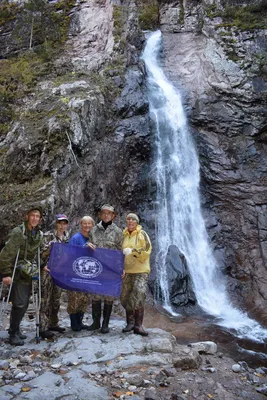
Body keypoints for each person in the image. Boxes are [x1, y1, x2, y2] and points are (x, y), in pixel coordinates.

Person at [0, 206, 43, 345]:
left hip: (28, 272)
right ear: (27, 216)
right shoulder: (19, 232)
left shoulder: (37, 234)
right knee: (19, 303)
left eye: (37, 216)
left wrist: (42, 265)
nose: (35, 218)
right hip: (16, 272)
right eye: (32, 215)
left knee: (23, 304)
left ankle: (16, 329)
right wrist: (5, 274)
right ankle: (13, 333)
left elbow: (36, 254)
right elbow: (6, 254)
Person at [87, 204, 123, 334]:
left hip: (110, 269)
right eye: (104, 213)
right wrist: (87, 245)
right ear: (100, 215)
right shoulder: (93, 230)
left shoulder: (118, 232)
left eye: (109, 213)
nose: (106, 215)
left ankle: (105, 324)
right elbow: (88, 246)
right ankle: (95, 322)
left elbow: (120, 252)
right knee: (95, 296)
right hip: (96, 268)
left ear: (113, 216)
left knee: (109, 297)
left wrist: (120, 269)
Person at [120, 213, 152, 336]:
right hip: (126, 271)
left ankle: (138, 325)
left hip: (140, 270)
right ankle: (130, 322)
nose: (130, 221)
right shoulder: (123, 235)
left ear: (137, 222)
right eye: (128, 219)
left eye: (133, 219)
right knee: (125, 297)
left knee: (139, 293)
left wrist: (133, 251)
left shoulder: (142, 234)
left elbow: (147, 250)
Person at [40, 214, 70, 339]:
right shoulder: (47, 235)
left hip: (60, 271)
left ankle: (53, 323)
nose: (62, 225)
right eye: (60, 223)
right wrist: (42, 265)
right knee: (45, 298)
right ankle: (43, 327)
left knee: (56, 298)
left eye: (64, 223)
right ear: (56, 223)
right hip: (47, 270)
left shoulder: (67, 236)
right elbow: (40, 252)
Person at [67, 215, 95, 331]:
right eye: (85, 223)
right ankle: (74, 323)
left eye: (89, 223)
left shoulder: (93, 238)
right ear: (81, 225)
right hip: (75, 272)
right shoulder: (76, 238)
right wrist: (84, 247)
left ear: (92, 225)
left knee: (84, 298)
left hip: (88, 273)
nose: (87, 225)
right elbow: (70, 253)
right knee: (74, 298)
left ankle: (80, 321)